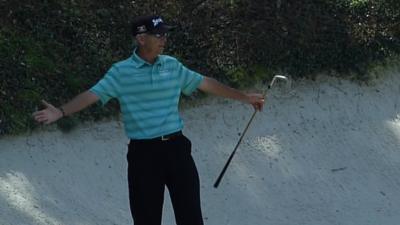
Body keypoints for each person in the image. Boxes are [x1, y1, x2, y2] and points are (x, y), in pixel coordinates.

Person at [33, 15, 265, 225]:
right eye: (158, 34)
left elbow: (207, 83)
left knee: (192, 218)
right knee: (146, 220)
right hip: (143, 156)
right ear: (141, 39)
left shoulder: (172, 65)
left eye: (165, 34)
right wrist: (61, 112)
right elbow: (92, 95)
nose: (164, 39)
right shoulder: (121, 72)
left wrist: (244, 97)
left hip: (177, 150)